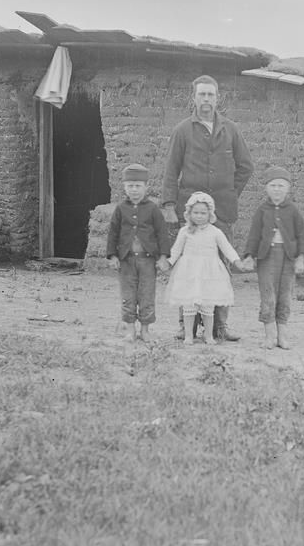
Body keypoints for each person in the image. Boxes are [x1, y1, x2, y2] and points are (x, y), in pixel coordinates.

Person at [161, 75, 254, 341]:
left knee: (221, 269)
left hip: (222, 211)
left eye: (210, 95)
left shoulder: (231, 130)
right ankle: (185, 325)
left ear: (218, 98)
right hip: (190, 211)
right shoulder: (183, 130)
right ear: (194, 98)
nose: (206, 100)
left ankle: (220, 326)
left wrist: (229, 192)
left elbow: (246, 166)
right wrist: (169, 204)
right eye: (201, 95)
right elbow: (171, 169)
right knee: (188, 268)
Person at [165, 192, 253, 346]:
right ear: (189, 213)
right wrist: (168, 262)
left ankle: (208, 336)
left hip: (209, 273)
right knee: (189, 304)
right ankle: (188, 335)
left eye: (203, 213)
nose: (199, 216)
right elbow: (175, 250)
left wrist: (237, 262)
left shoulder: (215, 232)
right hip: (189, 272)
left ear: (210, 214)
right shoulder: (185, 231)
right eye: (196, 213)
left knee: (208, 304)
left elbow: (227, 249)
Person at [242, 167, 304, 349]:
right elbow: (254, 236)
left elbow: (302, 236)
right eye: (273, 185)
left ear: (288, 189)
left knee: (285, 296)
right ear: (266, 188)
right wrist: (249, 256)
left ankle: (282, 337)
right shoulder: (262, 210)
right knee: (268, 296)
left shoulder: (293, 210)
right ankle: (269, 337)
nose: (277, 189)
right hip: (266, 258)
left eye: (281, 185)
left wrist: (300, 258)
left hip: (288, 259)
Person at [106, 163, 172, 342]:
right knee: (128, 295)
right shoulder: (120, 209)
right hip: (126, 261)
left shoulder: (153, 209)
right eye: (130, 186)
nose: (134, 190)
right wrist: (112, 256)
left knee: (147, 295)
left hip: (148, 261)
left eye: (138, 186)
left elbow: (162, 233)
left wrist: (163, 257)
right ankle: (130, 330)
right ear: (125, 187)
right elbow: (113, 232)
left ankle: (145, 330)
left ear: (146, 187)